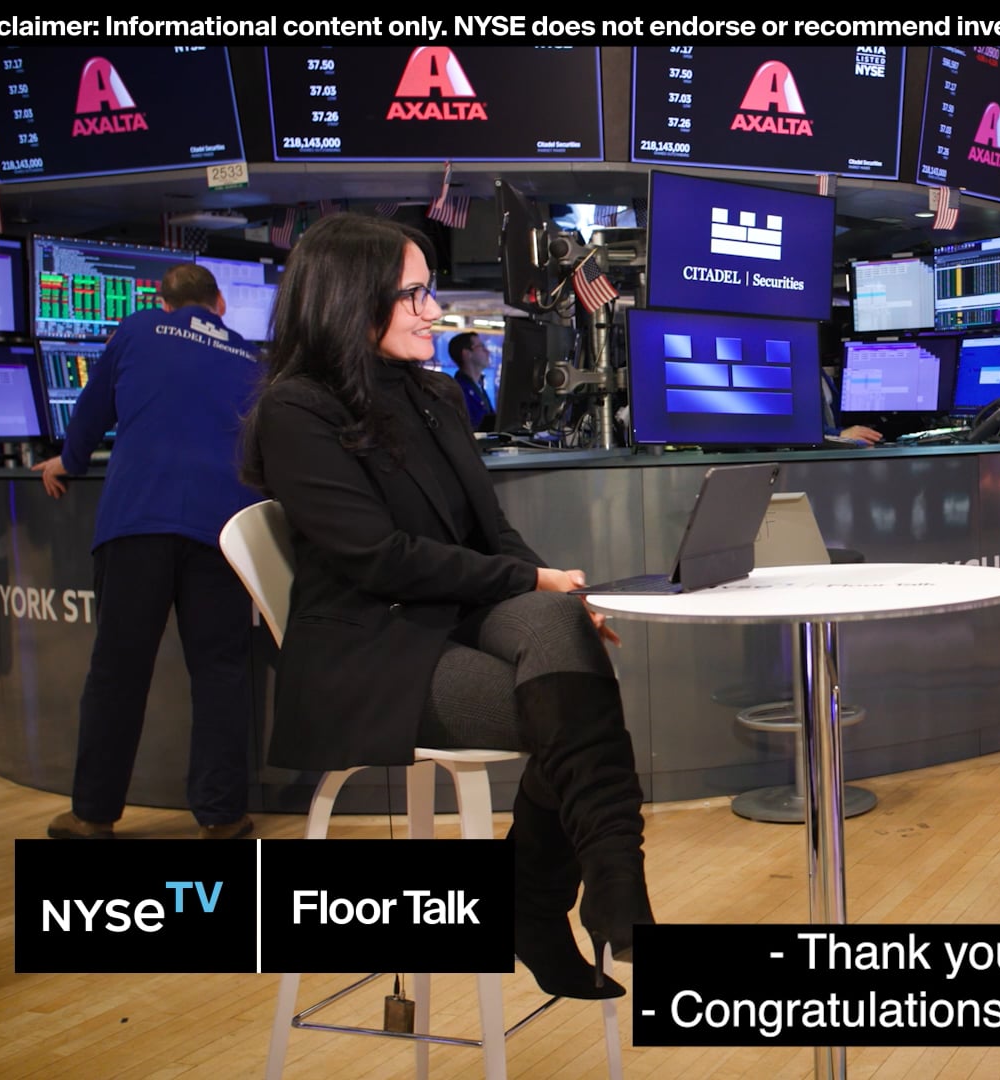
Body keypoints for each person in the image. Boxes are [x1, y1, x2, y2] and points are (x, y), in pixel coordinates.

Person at [240, 214, 651, 1000]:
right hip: (371, 647)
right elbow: (378, 558)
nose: (435, 310)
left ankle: (577, 891)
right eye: (416, 294)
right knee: (570, 701)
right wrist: (533, 588)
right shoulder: (296, 411)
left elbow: (491, 533)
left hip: (452, 611)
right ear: (347, 301)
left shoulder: (433, 395)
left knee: (566, 644)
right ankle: (566, 895)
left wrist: (557, 589)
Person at [36, 263, 263, 842]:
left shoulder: (137, 329)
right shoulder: (250, 358)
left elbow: (90, 414)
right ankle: (223, 816)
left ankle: (92, 815)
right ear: (221, 306)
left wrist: (70, 461)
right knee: (221, 673)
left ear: (163, 303)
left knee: (118, 671)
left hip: (138, 521)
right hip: (223, 530)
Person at [446, 331, 496, 432]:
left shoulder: (478, 387)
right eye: (481, 347)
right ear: (467, 354)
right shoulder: (458, 390)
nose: (487, 351)